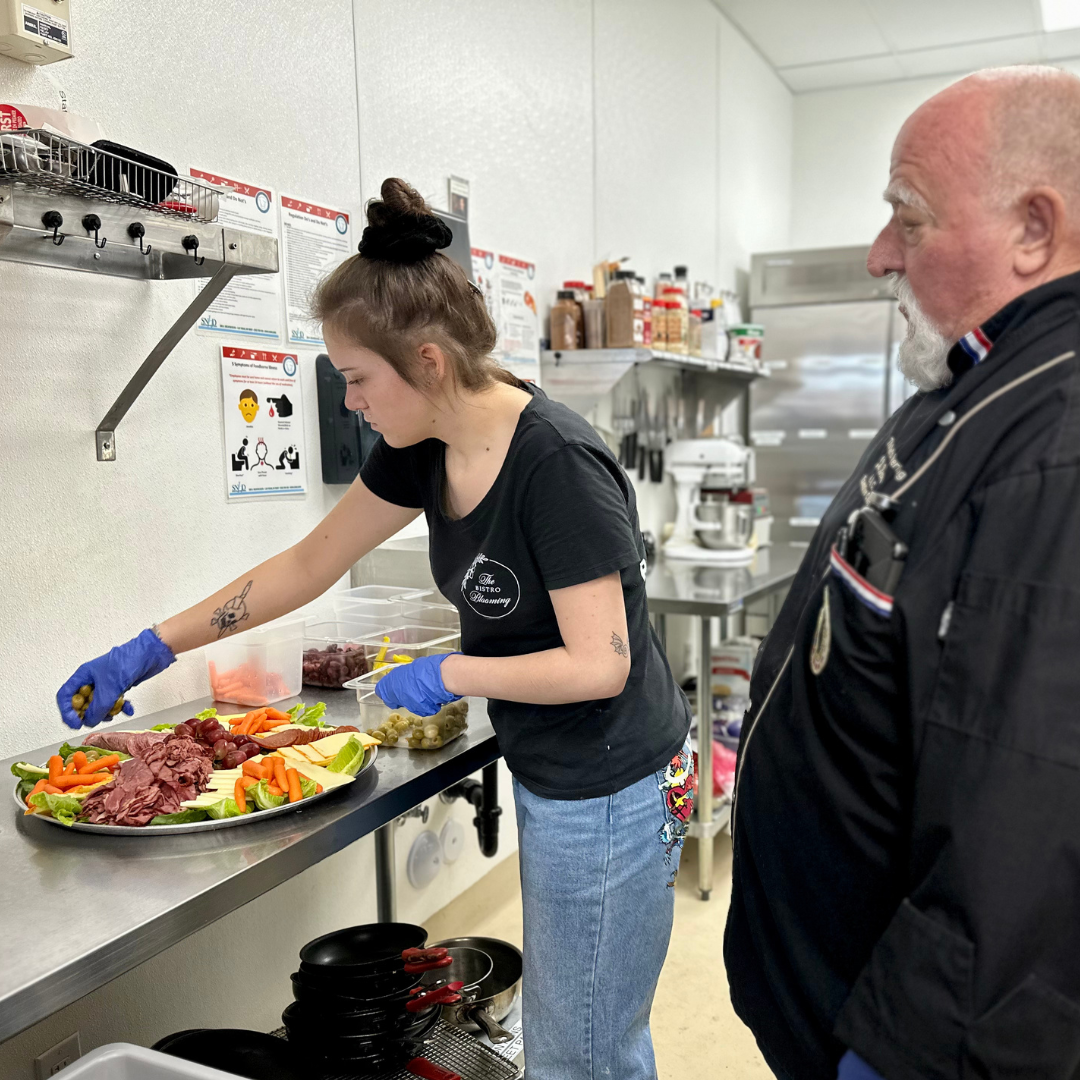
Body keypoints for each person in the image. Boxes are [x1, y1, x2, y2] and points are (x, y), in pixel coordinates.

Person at [56, 178, 694, 1080]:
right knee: (574, 1038)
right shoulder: (424, 445)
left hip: (614, 784)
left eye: (357, 379)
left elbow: (600, 666)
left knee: (584, 1051)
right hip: (557, 771)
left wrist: (454, 674)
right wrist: (156, 643)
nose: (351, 402)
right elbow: (307, 565)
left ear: (427, 362)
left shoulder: (555, 463)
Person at [725, 65, 1080, 1080]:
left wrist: (900, 1062)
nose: (881, 255)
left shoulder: (1058, 441)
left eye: (908, 219)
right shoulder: (981, 384)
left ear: (1033, 230)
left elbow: (1027, 837)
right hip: (828, 996)